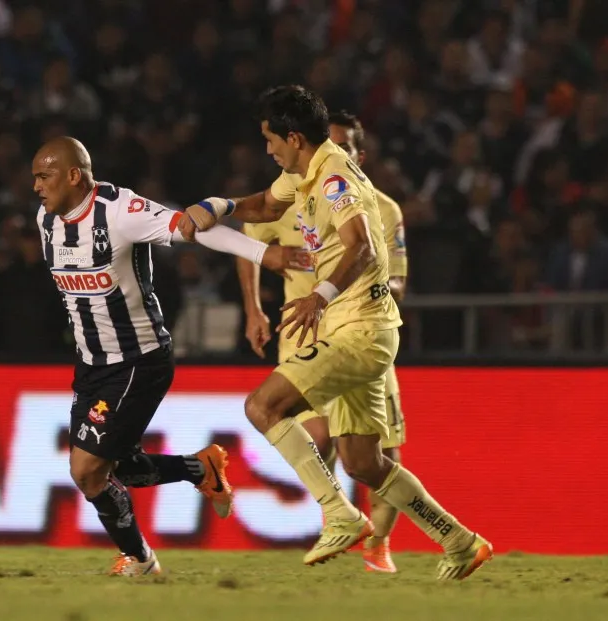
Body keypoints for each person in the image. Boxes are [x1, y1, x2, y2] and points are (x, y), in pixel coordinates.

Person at [181, 86, 491, 580]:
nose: (268, 150)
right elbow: (266, 206)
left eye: (271, 140)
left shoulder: (333, 177)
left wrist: (319, 295)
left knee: (262, 406)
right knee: (363, 463)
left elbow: (361, 246)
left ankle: (339, 514)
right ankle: (459, 540)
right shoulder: (303, 171)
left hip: (357, 329)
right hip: (355, 328)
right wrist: (219, 205)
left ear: (294, 138)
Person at [32, 136, 308, 577]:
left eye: (44, 176)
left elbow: (194, 228)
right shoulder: (46, 218)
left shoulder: (120, 211)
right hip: (92, 363)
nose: (36, 187)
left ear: (73, 176)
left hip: (138, 360)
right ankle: (201, 468)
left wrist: (263, 253)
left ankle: (141, 559)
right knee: (121, 466)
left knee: (86, 471)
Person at [235, 110, 409, 573]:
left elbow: (396, 278)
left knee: (374, 454)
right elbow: (251, 238)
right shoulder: (295, 192)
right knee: (315, 434)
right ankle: (338, 517)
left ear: (358, 156)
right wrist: (253, 308)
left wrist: (360, 283)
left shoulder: (383, 210)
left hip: (362, 328)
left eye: (343, 146)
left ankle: (380, 544)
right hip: (304, 334)